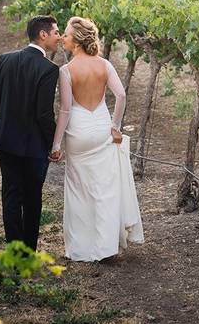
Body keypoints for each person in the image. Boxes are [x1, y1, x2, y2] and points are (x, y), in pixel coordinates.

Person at [50, 16, 144, 261]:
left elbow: (66, 110)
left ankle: (82, 248)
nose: (63, 39)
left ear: (78, 41)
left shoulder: (66, 71)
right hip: (102, 130)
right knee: (104, 190)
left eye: (67, 36)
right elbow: (121, 95)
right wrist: (115, 125)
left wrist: (57, 143)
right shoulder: (104, 65)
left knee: (80, 191)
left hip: (79, 133)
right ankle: (106, 247)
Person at [0, 15, 62, 251]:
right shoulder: (49, 69)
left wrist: (13, 114)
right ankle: (28, 253)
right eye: (56, 32)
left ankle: (13, 252)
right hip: (33, 146)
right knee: (32, 199)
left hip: (6, 140)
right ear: (43, 35)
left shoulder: (5, 59)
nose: (58, 37)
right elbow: (44, 115)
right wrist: (53, 144)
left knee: (10, 196)